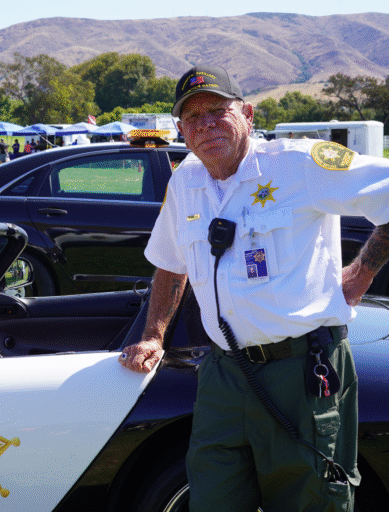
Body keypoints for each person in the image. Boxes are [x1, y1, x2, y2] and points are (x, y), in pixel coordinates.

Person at [118, 64, 389, 511]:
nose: (206, 125)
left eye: (217, 111)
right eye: (193, 118)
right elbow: (170, 261)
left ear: (246, 113)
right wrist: (153, 333)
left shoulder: (299, 164)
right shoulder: (186, 179)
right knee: (212, 498)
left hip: (302, 370)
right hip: (224, 373)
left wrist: (361, 274)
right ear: (181, 130)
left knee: (311, 500)